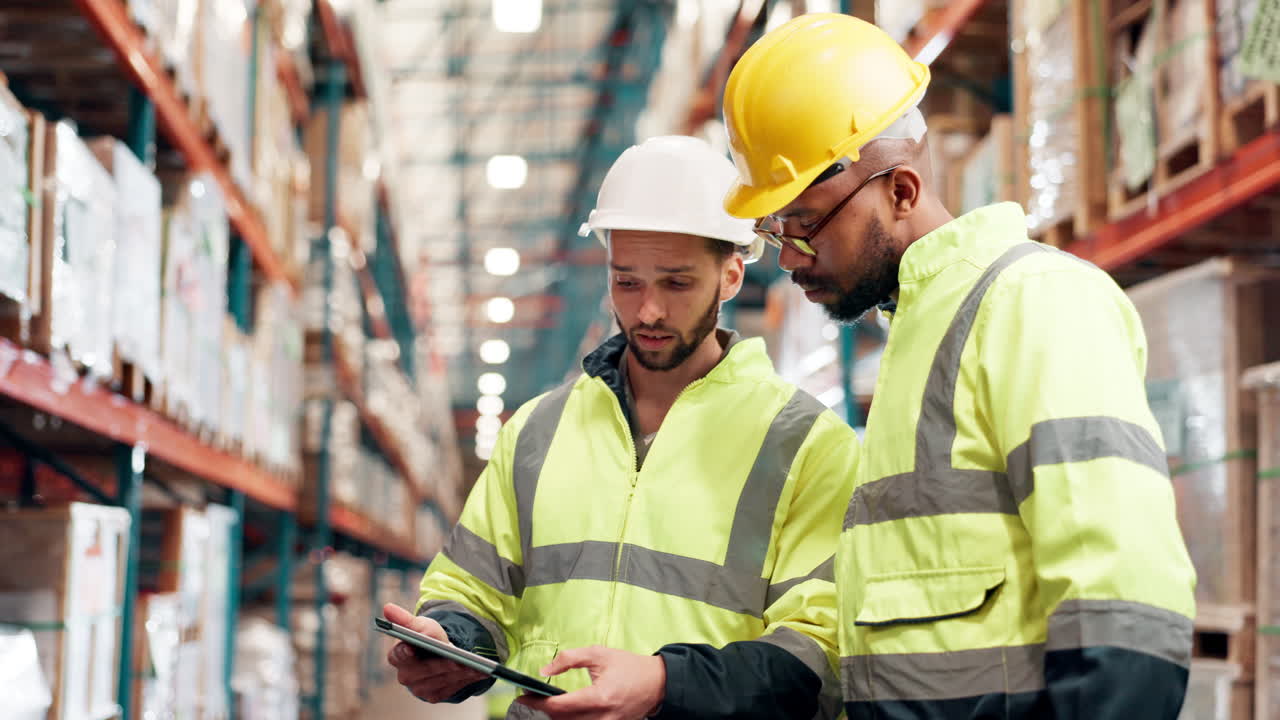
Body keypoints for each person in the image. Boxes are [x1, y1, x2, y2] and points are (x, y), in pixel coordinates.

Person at [718, 13, 1198, 720]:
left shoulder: (1032, 302)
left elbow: (1123, 603)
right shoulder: (916, 337)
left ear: (902, 191)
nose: (788, 256)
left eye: (805, 223)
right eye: (774, 229)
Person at [384, 135, 859, 719]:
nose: (647, 311)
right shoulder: (536, 431)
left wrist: (667, 684)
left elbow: (822, 652)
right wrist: (451, 642)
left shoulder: (809, 445)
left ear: (732, 275)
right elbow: (471, 589)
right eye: (626, 282)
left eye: (677, 283)